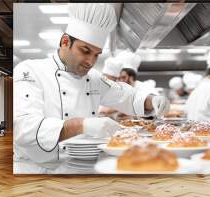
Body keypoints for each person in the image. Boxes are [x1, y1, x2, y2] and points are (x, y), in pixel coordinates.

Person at [13, 3, 170, 170]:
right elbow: (24, 129)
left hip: (81, 167)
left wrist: (152, 100)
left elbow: (126, 95)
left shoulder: (93, 78)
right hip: (35, 172)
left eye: (96, 55)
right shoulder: (30, 71)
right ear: (65, 42)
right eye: (85, 51)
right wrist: (81, 125)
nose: (91, 62)